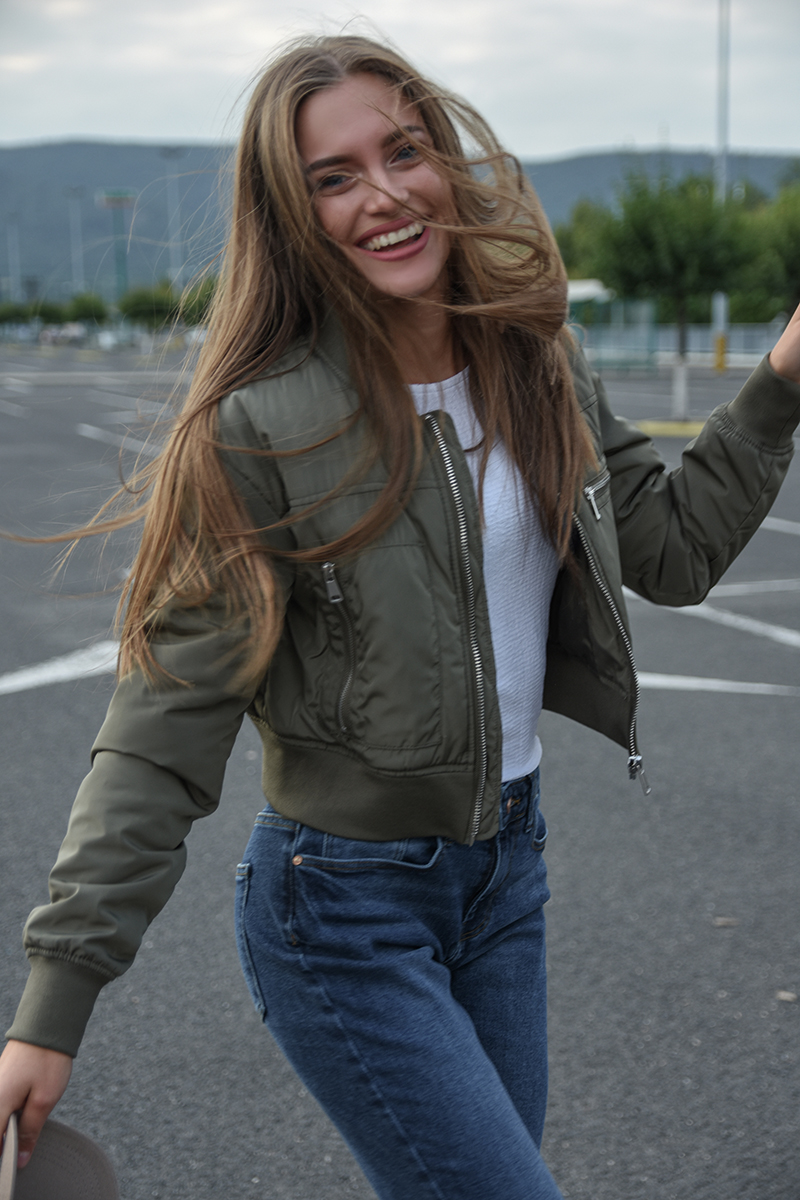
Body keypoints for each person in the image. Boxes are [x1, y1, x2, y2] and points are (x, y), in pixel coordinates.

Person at [1, 34, 800, 1200]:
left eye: (402, 152)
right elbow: (161, 729)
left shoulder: (536, 358)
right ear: (293, 216)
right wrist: (54, 1002)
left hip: (505, 877)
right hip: (341, 909)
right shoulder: (259, 426)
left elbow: (671, 552)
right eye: (333, 177)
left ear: (444, 160)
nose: (381, 195)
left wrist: (780, 378)